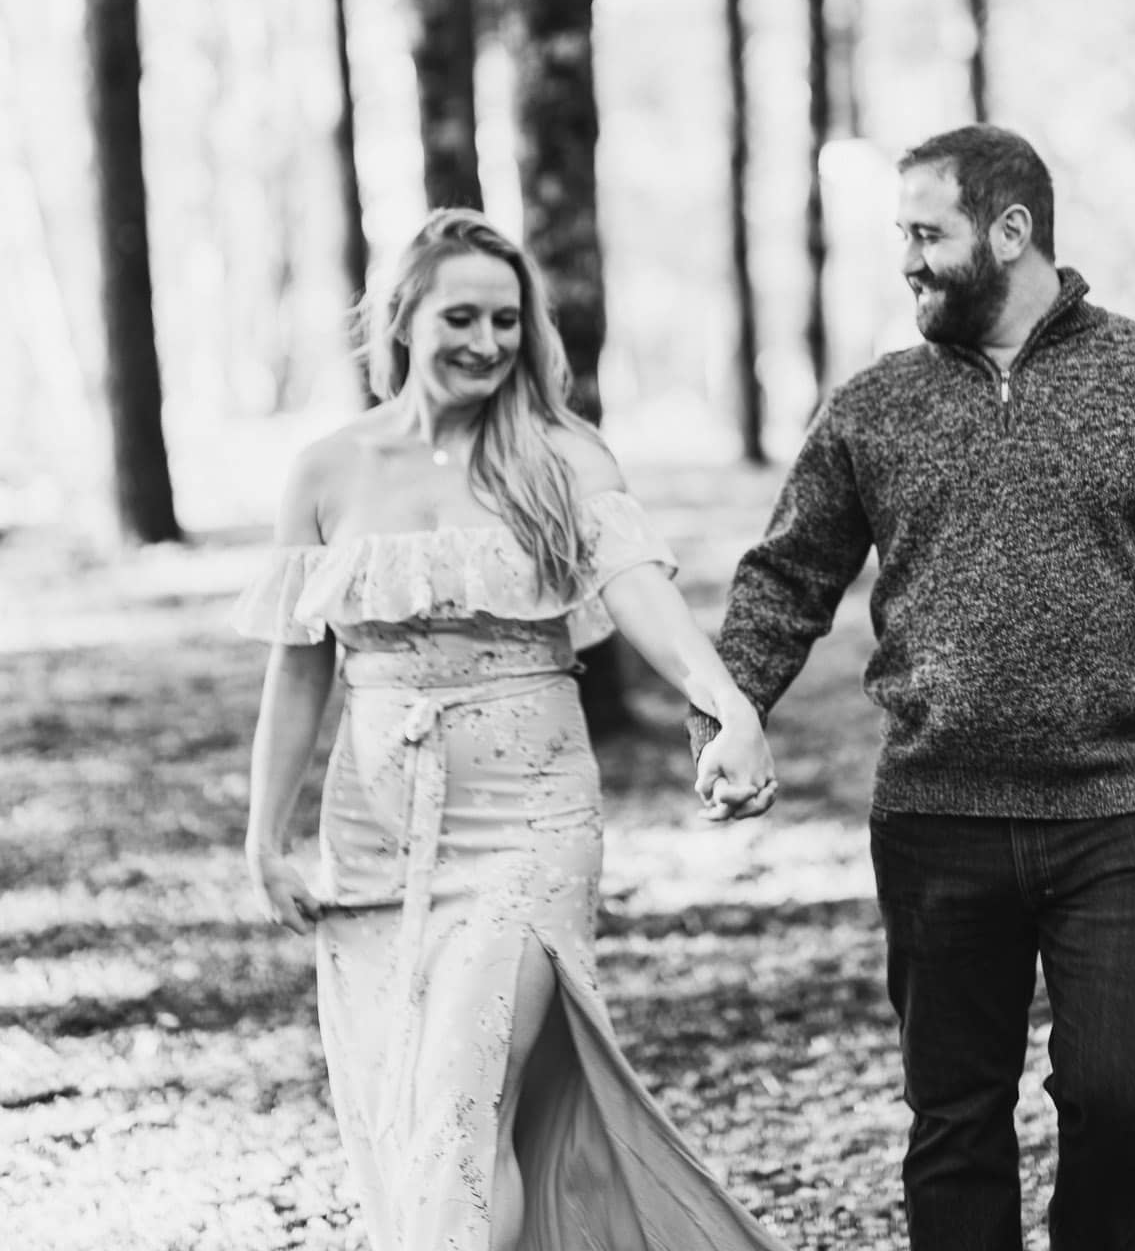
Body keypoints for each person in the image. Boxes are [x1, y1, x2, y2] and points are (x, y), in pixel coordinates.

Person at [690, 124, 1135, 1251]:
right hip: (936, 818)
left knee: (1125, 1096)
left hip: (1117, 812)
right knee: (956, 1121)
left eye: (928, 233)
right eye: (903, 236)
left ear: (1011, 230)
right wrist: (728, 712)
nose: (909, 261)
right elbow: (786, 576)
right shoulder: (876, 405)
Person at [238, 208, 787, 1251]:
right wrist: (266, 835)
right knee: (401, 1116)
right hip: (374, 838)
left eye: (505, 319)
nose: (487, 342)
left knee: (461, 1109)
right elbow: (299, 662)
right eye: (461, 317)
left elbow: (639, 587)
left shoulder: (562, 455)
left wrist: (727, 701)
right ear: (403, 316)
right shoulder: (326, 470)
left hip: (528, 824)